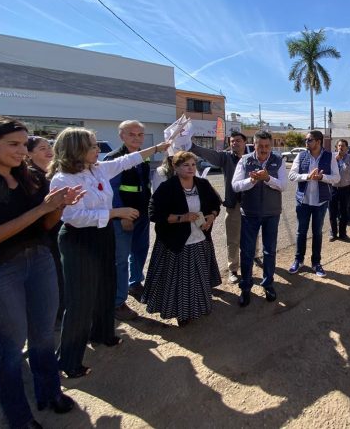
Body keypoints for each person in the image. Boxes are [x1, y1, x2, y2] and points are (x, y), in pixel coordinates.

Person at [0, 116, 83, 429]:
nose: (21, 151)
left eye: (23, 144)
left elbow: (45, 226)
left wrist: (59, 208)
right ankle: (19, 417)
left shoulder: (31, 179)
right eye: (13, 144)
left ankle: (50, 393)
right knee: (9, 347)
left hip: (39, 260)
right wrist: (42, 209)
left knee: (42, 336)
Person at [49, 127, 169, 379]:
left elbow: (127, 160)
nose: (97, 149)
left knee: (106, 286)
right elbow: (74, 217)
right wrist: (115, 213)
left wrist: (158, 148)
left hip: (102, 235)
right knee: (80, 301)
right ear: (77, 149)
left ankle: (103, 334)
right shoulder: (63, 179)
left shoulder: (97, 169)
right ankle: (69, 360)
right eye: (92, 145)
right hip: (79, 240)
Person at [142, 151, 222, 326]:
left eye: (193, 164)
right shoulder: (167, 187)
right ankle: (181, 313)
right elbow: (154, 213)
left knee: (198, 278)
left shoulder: (202, 184)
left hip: (200, 239)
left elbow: (216, 204)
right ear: (175, 167)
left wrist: (211, 216)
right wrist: (182, 218)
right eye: (186, 165)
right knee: (180, 281)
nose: (191, 168)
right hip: (176, 242)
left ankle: (199, 306)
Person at [231, 130, 287, 306]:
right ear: (254, 145)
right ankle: (246, 287)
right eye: (260, 146)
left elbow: (283, 185)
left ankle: (268, 284)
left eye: (267, 146)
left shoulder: (278, 161)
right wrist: (252, 181)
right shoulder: (245, 160)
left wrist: (268, 178)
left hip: (271, 213)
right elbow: (235, 185)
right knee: (247, 252)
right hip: (250, 213)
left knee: (269, 251)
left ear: (271, 145)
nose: (264, 150)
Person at [105, 121, 153, 321]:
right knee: (121, 259)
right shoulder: (113, 158)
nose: (137, 138)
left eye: (140, 134)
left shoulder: (143, 156)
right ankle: (117, 302)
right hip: (123, 217)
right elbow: (112, 190)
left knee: (140, 250)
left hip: (142, 213)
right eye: (132, 134)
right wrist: (122, 214)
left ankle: (135, 284)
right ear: (121, 136)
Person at [190, 131, 247, 284]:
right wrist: (192, 147)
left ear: (244, 142)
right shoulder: (225, 157)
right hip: (234, 205)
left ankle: (254, 256)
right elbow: (209, 154)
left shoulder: (252, 157)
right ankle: (233, 269)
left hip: (251, 206)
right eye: (232, 141)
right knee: (233, 239)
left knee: (251, 237)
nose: (235, 143)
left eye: (238, 141)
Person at [287, 130, 340, 277]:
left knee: (317, 233)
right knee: (301, 232)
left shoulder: (330, 157)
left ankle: (316, 263)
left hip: (320, 202)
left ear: (318, 141)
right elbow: (292, 175)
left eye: (309, 140)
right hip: (303, 201)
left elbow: (336, 178)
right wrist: (307, 177)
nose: (306, 143)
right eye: (306, 140)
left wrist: (322, 177)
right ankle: (298, 260)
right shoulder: (301, 155)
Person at [27, 136, 65, 323]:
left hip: (56, 231)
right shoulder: (32, 177)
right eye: (42, 148)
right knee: (54, 276)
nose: (49, 150)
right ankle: (57, 316)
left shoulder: (51, 174)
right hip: (45, 235)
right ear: (30, 153)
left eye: (49, 146)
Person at [328, 139, 350, 242]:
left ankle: (343, 234)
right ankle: (333, 233)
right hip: (333, 189)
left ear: (347, 148)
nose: (341, 147)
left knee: (344, 213)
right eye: (339, 146)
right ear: (336, 147)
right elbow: (326, 171)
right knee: (332, 212)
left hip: (346, 189)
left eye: (343, 146)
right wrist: (335, 160)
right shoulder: (331, 157)